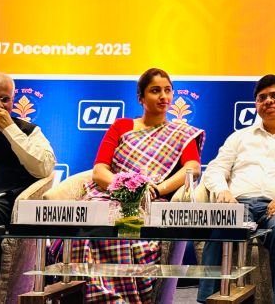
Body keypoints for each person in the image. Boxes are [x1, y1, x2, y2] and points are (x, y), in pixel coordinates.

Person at [70, 67, 204, 303]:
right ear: (141, 97)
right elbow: (100, 171)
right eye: (155, 91)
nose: (163, 96)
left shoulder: (182, 134)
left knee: (127, 232)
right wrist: (126, 187)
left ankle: (122, 298)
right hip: (110, 194)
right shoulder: (122, 126)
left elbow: (192, 168)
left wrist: (154, 189)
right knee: (92, 228)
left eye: (167, 90)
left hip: (150, 200)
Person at [197, 74, 275, 304]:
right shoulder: (240, 137)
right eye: (262, 97)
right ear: (256, 104)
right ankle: (208, 298)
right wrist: (222, 191)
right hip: (240, 204)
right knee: (224, 220)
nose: (268, 101)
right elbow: (215, 169)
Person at [0, 72, 56, 304]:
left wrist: (11, 131)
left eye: (5, 99)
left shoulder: (28, 130)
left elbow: (44, 168)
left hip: (4, 198)